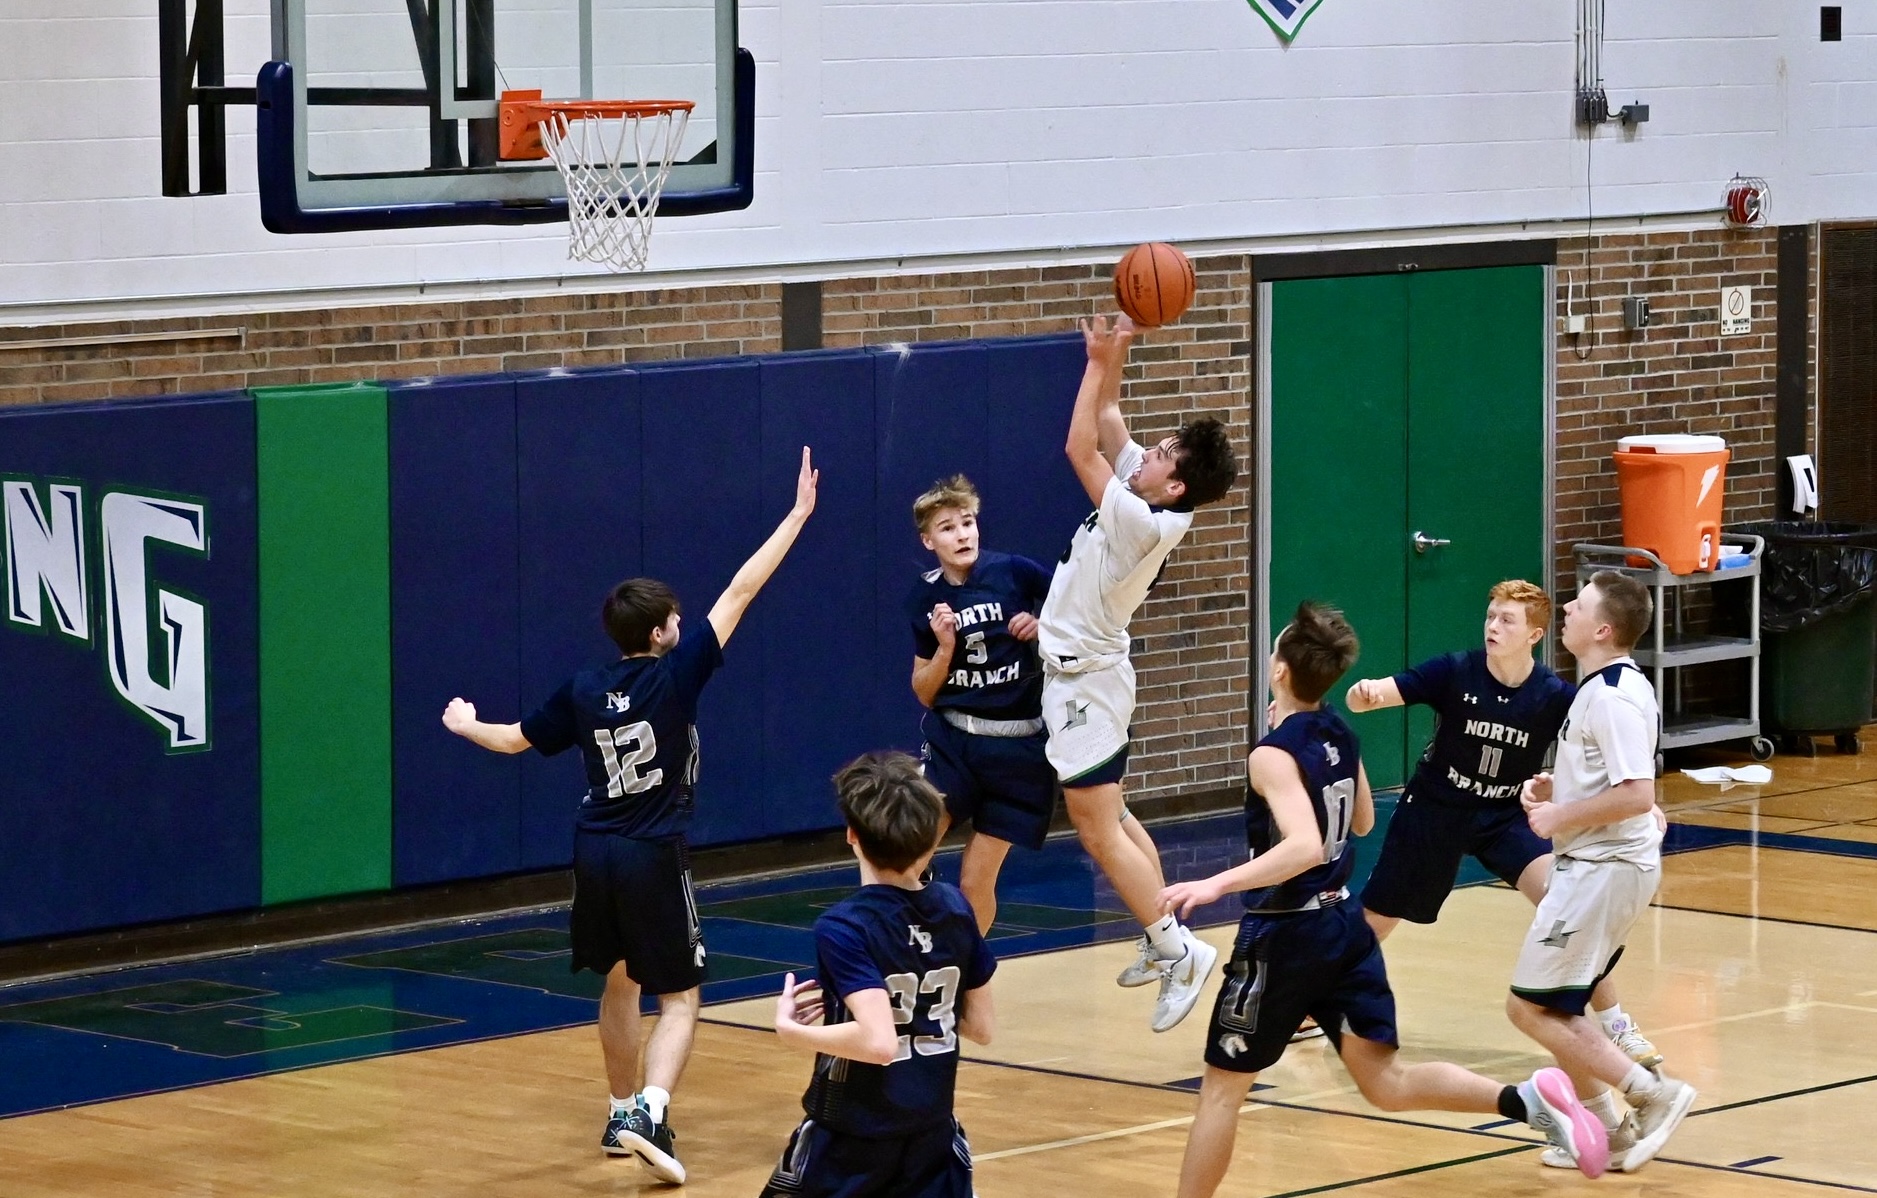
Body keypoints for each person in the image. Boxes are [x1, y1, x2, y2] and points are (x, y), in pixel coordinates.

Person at [440, 448, 819, 1183]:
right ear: (657, 636)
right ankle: (650, 1106)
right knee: (680, 995)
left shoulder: (583, 687)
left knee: (619, 983)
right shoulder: (677, 675)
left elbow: (516, 740)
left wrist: (465, 725)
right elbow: (741, 590)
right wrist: (797, 515)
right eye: (674, 617)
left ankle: (619, 1111)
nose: (683, 620)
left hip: (594, 849)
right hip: (651, 851)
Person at [1162, 602, 1613, 1198]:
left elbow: (1303, 844)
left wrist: (1214, 883)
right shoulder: (1339, 734)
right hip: (1345, 925)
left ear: (1279, 673)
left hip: (1285, 933)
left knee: (1222, 1086)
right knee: (1385, 1083)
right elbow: (1364, 821)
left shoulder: (1271, 753)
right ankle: (1526, 1099)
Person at [1344, 579, 1664, 1072]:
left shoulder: (1559, 695)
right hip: (1437, 807)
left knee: (1568, 909)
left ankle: (1618, 1023)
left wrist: (1636, 799)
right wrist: (1364, 695)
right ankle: (1320, 997)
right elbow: (1380, 693)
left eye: (1506, 620)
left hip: (1504, 815)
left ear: (1535, 635)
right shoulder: (1454, 670)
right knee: (1380, 915)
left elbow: (1604, 764)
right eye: (1490, 616)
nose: (1493, 626)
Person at [1039, 312, 1241, 1033]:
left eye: (1158, 454)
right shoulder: (1150, 494)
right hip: (1091, 675)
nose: (1145, 453)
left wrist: (1093, 359)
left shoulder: (1141, 519)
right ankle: (1164, 938)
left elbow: (1077, 442)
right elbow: (1111, 417)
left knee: (1094, 830)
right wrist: (1116, 351)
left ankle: (1176, 949)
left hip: (1085, 685)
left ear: (1174, 485)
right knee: (1115, 815)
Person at [1506, 571, 1696, 1173]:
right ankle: (1607, 1132)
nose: (1567, 606)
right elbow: (1613, 776)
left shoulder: (1611, 696)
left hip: (1604, 869)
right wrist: (1558, 785)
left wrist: (1562, 812)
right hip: (1598, 866)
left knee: (1530, 1009)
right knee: (1559, 1009)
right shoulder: (1607, 685)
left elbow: (1639, 792)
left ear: (1603, 629)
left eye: (1579, 604)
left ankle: (1652, 1094)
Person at [762, 751, 997, 1198]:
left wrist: (793, 1031)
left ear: (852, 835)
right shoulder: (955, 908)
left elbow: (878, 1042)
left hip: (851, 1141)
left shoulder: (844, 925)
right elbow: (981, 1028)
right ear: (930, 841)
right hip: (932, 1137)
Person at [906, 474, 1055, 934]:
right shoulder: (925, 596)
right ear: (929, 540)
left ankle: (969, 978)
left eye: (967, 522)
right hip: (956, 742)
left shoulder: (1015, 571)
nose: (962, 534)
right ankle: (907, 948)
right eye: (948, 527)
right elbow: (923, 691)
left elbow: (1081, 617)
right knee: (909, 850)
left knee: (976, 879)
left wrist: (1044, 623)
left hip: (1018, 748)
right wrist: (945, 647)